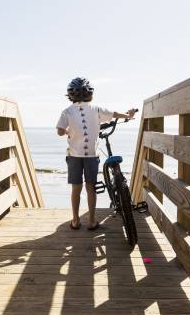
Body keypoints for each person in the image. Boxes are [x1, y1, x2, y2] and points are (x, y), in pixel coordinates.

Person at [56, 77, 136, 230]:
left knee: (76, 188)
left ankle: (75, 220)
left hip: (74, 155)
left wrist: (68, 131)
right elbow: (114, 114)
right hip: (92, 155)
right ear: (90, 94)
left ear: (70, 95)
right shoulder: (96, 109)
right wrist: (129, 115)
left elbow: (59, 131)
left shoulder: (67, 111)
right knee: (91, 187)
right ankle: (92, 221)